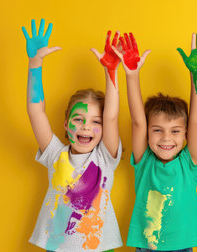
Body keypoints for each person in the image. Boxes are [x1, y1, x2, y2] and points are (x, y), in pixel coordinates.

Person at [24, 19, 123, 251]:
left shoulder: (106, 158)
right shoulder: (55, 155)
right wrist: (35, 62)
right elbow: (35, 111)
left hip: (98, 246)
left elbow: (111, 116)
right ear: (66, 123)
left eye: (94, 122)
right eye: (78, 120)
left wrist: (111, 71)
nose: (85, 127)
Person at [111, 33, 197, 251]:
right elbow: (137, 122)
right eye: (157, 130)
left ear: (186, 134)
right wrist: (132, 75)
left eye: (175, 131)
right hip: (146, 246)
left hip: (182, 246)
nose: (166, 138)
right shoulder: (144, 160)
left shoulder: (188, 162)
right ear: (148, 134)